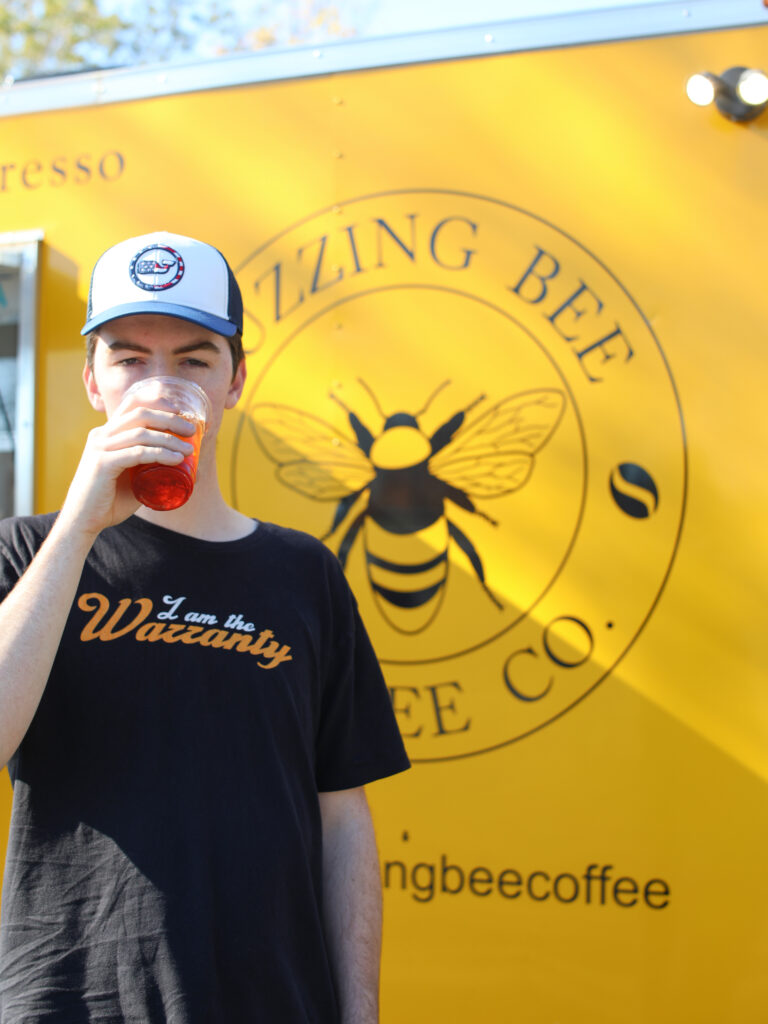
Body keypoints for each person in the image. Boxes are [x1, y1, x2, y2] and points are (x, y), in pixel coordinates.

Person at [0, 231, 410, 1023]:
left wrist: (358, 1013)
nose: (161, 386)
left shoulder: (306, 574)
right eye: (129, 360)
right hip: (70, 1002)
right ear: (92, 381)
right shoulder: (28, 552)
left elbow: (342, 821)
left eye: (192, 361)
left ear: (234, 381)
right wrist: (81, 526)